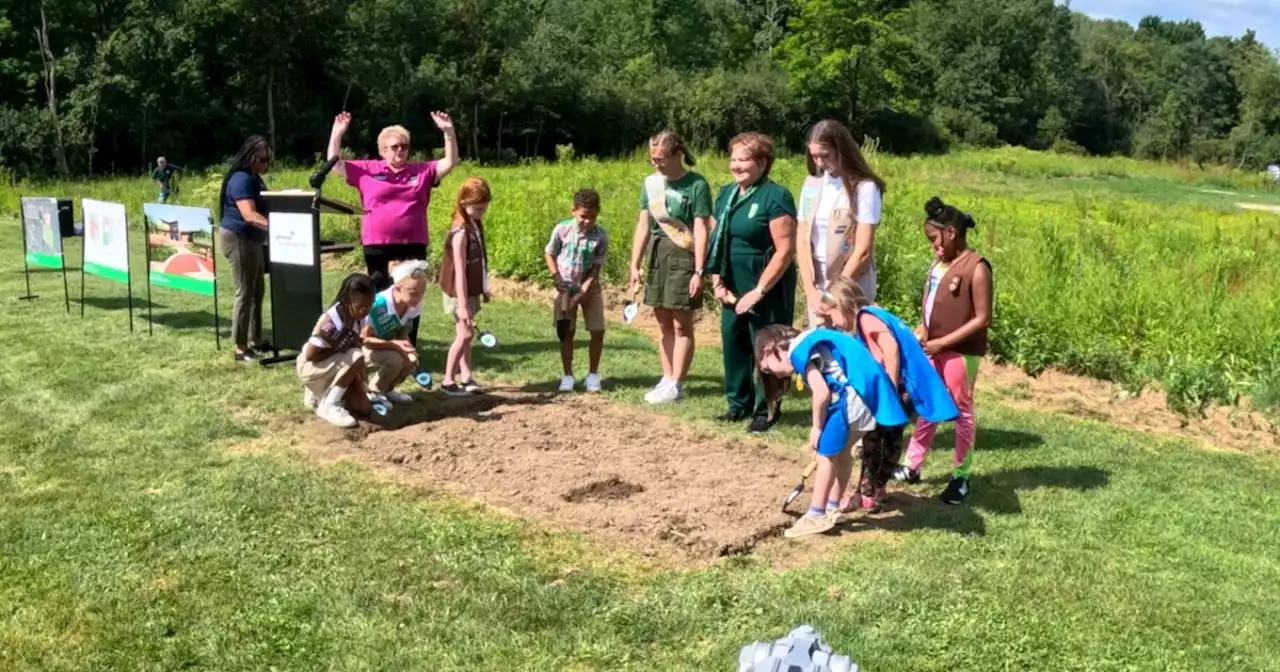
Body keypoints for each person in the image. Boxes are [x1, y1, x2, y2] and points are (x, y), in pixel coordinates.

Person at [814, 277, 958, 512]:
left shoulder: (865, 317)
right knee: (891, 438)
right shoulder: (874, 313)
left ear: (844, 304)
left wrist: (888, 391)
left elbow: (890, 349)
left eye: (832, 316)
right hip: (906, 389)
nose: (835, 324)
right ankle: (879, 489)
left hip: (897, 388)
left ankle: (866, 493)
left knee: (873, 439)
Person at [755, 324, 907, 538]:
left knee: (827, 455)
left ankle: (816, 514)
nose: (777, 377)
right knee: (843, 453)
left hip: (850, 398)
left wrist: (817, 428)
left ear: (768, 350)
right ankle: (831, 508)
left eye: (769, 370)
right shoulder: (809, 339)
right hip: (868, 398)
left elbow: (822, 393)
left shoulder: (797, 351)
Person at [326, 110, 459, 345]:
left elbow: (450, 162)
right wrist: (337, 134)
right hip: (378, 245)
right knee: (379, 297)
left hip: (412, 244)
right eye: (395, 146)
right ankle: (378, 342)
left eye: (404, 146)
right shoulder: (368, 169)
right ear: (383, 150)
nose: (400, 151)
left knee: (411, 295)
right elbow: (335, 165)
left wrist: (448, 132)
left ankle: (408, 344)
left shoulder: (421, 171)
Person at [895, 196, 993, 506]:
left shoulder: (977, 267)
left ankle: (960, 477)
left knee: (961, 410)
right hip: (933, 347)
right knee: (927, 402)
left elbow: (982, 318)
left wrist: (944, 342)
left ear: (951, 232)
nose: (932, 246)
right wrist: (920, 332)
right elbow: (931, 307)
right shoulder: (938, 264)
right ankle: (912, 465)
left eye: (934, 239)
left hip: (960, 353)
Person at [707, 132, 798, 433]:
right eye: (733, 159)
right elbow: (717, 239)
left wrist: (759, 290)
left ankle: (767, 409)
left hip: (765, 285)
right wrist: (717, 279)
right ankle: (738, 404)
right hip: (731, 284)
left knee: (768, 346)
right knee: (734, 342)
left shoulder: (775, 196)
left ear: (762, 162)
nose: (736, 165)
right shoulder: (726, 194)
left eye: (743, 159)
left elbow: (785, 250)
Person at [628, 130, 713, 405]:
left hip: (683, 255)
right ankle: (666, 378)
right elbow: (643, 225)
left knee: (681, 324)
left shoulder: (696, 184)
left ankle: (677, 382)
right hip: (656, 253)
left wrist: (700, 270)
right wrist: (634, 264)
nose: (656, 163)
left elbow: (701, 228)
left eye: (661, 158)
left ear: (678, 154)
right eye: (653, 159)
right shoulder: (650, 184)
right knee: (663, 321)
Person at [796, 120, 886, 325]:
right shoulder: (811, 184)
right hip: (817, 285)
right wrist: (810, 290)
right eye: (814, 156)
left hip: (851, 284)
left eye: (825, 155)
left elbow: (862, 250)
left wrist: (833, 294)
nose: (819, 162)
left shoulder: (864, 188)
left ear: (841, 150)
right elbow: (802, 239)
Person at [545, 188, 609, 394]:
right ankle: (567, 375)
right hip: (565, 288)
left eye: (592, 217)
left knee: (597, 330)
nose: (587, 221)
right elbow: (550, 253)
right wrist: (556, 277)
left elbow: (597, 267)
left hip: (590, 288)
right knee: (566, 332)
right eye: (583, 216)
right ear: (573, 211)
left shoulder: (601, 236)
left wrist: (583, 291)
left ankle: (592, 374)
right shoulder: (562, 230)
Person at [216, 135, 272, 363]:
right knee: (245, 293)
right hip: (239, 238)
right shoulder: (240, 179)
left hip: (253, 240)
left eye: (268, 159)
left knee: (258, 291)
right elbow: (249, 215)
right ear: (251, 157)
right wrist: (279, 228)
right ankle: (240, 348)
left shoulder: (255, 178)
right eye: (263, 159)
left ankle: (256, 339)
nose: (266, 164)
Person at [298, 273, 377, 429]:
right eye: (362, 306)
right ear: (349, 301)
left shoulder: (360, 318)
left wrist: (364, 384)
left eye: (369, 305)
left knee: (363, 408)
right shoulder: (331, 321)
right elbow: (311, 355)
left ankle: (319, 393)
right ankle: (329, 405)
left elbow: (353, 345)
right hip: (311, 367)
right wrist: (339, 346)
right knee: (356, 355)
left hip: (337, 364)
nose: (366, 310)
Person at [439, 177, 492, 396]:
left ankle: (467, 377)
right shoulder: (460, 231)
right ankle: (448, 379)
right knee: (466, 334)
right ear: (463, 202)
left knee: (465, 334)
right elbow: (459, 270)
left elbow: (479, 259)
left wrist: (484, 286)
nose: (482, 211)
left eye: (484, 207)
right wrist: (462, 305)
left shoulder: (474, 222)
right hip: (457, 291)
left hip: (470, 289)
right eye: (478, 207)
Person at [360, 259, 427, 405]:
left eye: (422, 293)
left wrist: (409, 349)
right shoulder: (378, 305)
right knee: (395, 360)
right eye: (413, 293)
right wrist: (396, 345)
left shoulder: (413, 303)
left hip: (387, 344)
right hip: (363, 347)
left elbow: (403, 330)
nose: (418, 298)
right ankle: (375, 391)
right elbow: (364, 339)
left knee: (410, 360)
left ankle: (387, 390)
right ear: (397, 288)